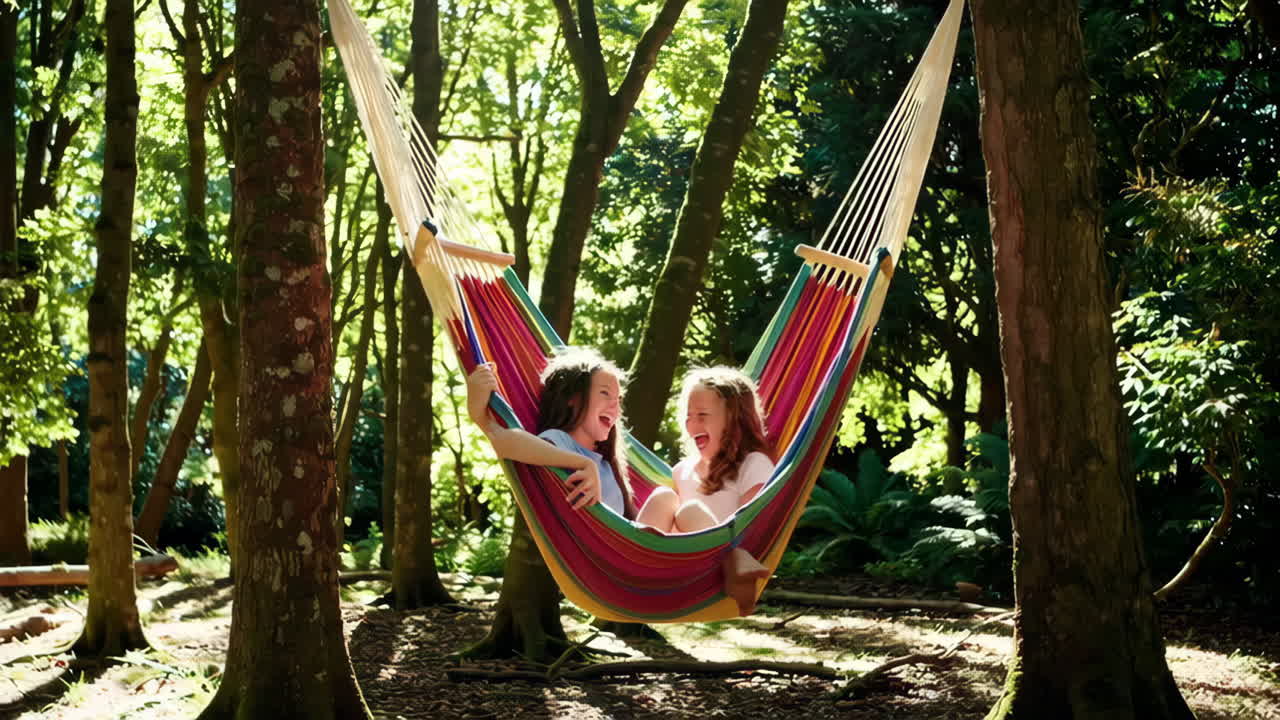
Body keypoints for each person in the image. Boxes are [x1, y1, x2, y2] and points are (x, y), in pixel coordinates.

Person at [634, 367, 776, 615]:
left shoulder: (754, 464)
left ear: (734, 419)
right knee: (663, 497)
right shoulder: (681, 471)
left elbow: (753, 529)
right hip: (675, 568)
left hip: (715, 576)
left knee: (689, 510)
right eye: (688, 416)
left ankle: (733, 563)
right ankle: (632, 566)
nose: (692, 423)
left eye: (702, 415)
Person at [466, 348, 635, 518]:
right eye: (605, 393)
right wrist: (584, 463)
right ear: (573, 397)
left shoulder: (607, 466)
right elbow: (506, 442)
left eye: (618, 399)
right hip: (588, 541)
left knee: (662, 497)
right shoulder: (559, 440)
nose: (616, 407)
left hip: (621, 542)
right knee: (663, 499)